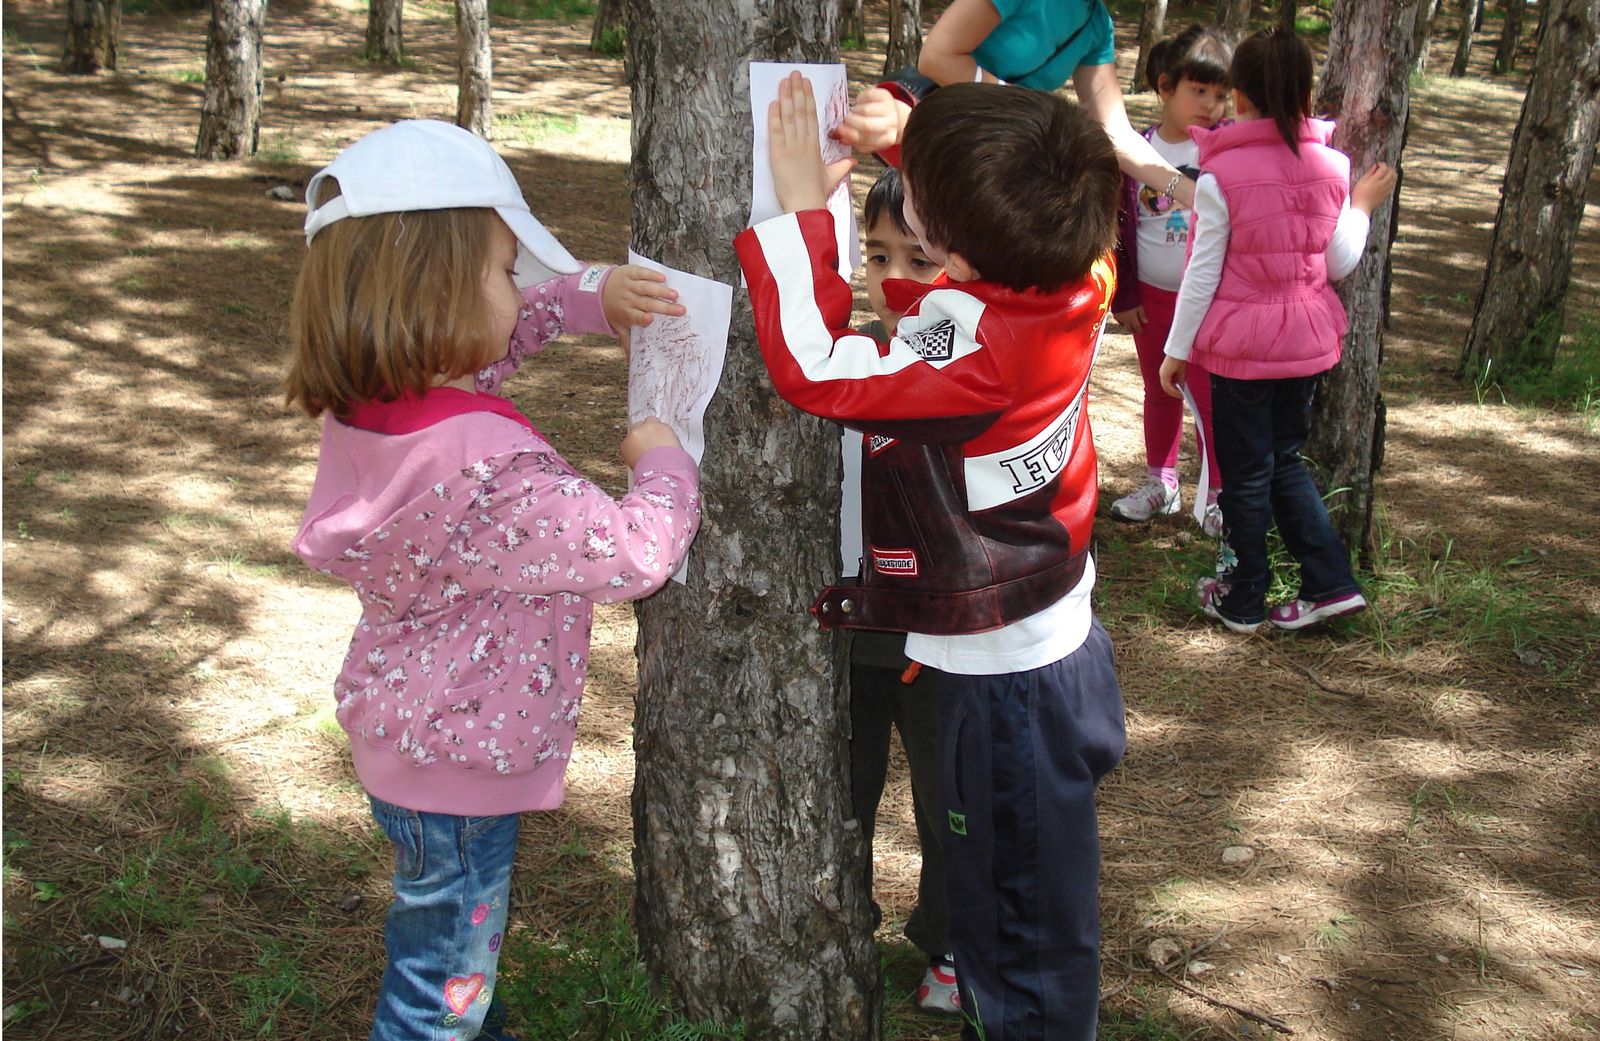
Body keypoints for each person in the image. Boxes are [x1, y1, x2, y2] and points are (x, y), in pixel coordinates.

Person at [283, 119, 702, 1041]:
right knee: (442, 980)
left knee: (448, 932)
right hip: (462, 764)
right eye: (505, 271)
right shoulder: (493, 469)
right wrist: (664, 465)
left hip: (412, 734)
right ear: (439, 294)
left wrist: (590, 299)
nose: (520, 291)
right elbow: (635, 554)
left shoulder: (379, 404)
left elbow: (493, 346)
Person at [739, 74, 1127, 1041]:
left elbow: (822, 369)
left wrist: (803, 217)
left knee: (1021, 930)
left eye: (916, 207)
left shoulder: (978, 362)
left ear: (951, 242)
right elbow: (978, 261)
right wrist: (918, 145)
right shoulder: (1079, 272)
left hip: (1008, 688)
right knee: (1023, 899)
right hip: (1049, 637)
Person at [1156, 31, 1397, 633]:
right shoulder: (1332, 165)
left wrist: (1175, 350)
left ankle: (1241, 595)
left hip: (1242, 348)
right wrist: (1361, 207)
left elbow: (1202, 271)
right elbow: (1338, 260)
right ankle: (1331, 582)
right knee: (1283, 461)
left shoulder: (1220, 176)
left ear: (1238, 96)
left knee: (1246, 473)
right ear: (1306, 92)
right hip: (1306, 341)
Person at [846, 166, 958, 1014]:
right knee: (840, 781)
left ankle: (953, 943)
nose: (895, 282)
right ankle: (839, 917)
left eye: (920, 261)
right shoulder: (846, 360)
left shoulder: (980, 372)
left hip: (942, 634)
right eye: (876, 254)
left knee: (947, 793)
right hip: (852, 620)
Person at [837, 0, 1202, 212]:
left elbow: (1115, 132)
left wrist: (1189, 193)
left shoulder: (1096, 24)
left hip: (997, 161)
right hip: (947, 129)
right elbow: (937, 57)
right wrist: (1030, 110)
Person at [1108, 25, 1234, 534]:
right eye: (1197, 91)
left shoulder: (1226, 152)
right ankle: (1163, 484)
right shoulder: (1137, 149)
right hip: (1151, 301)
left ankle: (1217, 492)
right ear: (1165, 88)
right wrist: (1125, 292)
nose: (1210, 104)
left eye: (1221, 95)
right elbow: (1118, 223)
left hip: (1207, 304)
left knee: (1208, 399)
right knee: (1159, 391)